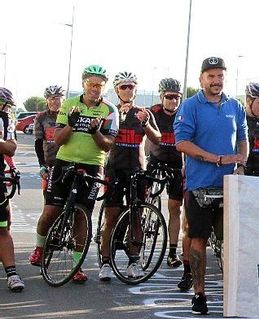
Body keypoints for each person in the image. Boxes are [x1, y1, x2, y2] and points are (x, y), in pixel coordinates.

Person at [174, 56, 248, 315]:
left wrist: (240, 164)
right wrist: (216, 159)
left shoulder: (235, 105)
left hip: (229, 186)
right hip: (200, 186)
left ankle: (233, 294)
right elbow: (181, 143)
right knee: (198, 239)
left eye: (220, 76)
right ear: (201, 79)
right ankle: (199, 294)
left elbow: (242, 139)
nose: (216, 81)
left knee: (230, 241)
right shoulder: (190, 106)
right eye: (211, 76)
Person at [48, 65, 120, 283]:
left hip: (91, 165)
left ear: (104, 87)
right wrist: (71, 125)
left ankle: (77, 266)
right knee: (51, 211)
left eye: (99, 84)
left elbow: (107, 146)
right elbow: (58, 140)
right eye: (91, 83)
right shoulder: (69, 105)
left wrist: (94, 131)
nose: (95, 88)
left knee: (82, 216)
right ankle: (40, 249)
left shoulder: (110, 110)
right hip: (65, 162)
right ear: (84, 84)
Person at [98, 71, 161, 281]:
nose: (127, 90)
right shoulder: (110, 112)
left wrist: (145, 124)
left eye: (131, 86)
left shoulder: (143, 113)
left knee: (136, 218)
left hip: (137, 170)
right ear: (117, 90)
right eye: (123, 87)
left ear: (136, 89)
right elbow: (102, 139)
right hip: (115, 169)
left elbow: (157, 139)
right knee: (111, 217)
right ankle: (106, 262)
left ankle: (134, 261)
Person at [148, 78, 187, 271]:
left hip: (176, 165)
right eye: (169, 97)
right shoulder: (153, 112)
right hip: (155, 161)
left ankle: (172, 251)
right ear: (162, 97)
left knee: (175, 208)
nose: (173, 101)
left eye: (177, 97)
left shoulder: (184, 114)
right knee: (143, 201)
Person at [28, 85, 65, 267]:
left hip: (68, 163)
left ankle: (61, 233)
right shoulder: (41, 118)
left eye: (57, 98)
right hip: (50, 165)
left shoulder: (68, 115)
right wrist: (42, 165)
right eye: (51, 98)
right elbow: (37, 143)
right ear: (46, 101)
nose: (54, 101)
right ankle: (40, 247)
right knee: (49, 206)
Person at [0, 87, 23, 292]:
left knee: (2, 226)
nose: (5, 109)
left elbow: (10, 148)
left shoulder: (6, 120)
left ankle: (12, 274)